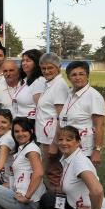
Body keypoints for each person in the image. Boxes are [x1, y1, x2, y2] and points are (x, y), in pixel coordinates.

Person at [38, 126, 105, 209]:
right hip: (76, 206)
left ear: (78, 142)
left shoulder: (80, 162)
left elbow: (97, 190)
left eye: (69, 139)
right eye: (60, 139)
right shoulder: (68, 158)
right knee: (47, 200)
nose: (63, 143)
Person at [57, 61, 105, 166]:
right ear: (69, 78)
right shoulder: (69, 94)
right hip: (67, 147)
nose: (77, 77)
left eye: (81, 74)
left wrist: (97, 150)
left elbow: (100, 125)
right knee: (69, 180)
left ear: (87, 76)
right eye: (73, 75)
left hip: (84, 150)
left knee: (83, 180)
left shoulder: (93, 96)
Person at [35, 53, 69, 190]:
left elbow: (61, 117)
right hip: (46, 137)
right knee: (51, 173)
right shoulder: (50, 83)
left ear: (59, 67)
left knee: (54, 174)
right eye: (43, 68)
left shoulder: (59, 85)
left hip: (52, 139)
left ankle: (57, 206)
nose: (46, 71)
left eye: (50, 68)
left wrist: (55, 143)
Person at [13, 49, 45, 121]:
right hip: (19, 125)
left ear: (37, 63)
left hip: (30, 126)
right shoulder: (24, 80)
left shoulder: (39, 81)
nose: (24, 63)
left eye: (28, 61)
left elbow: (40, 109)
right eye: (23, 60)